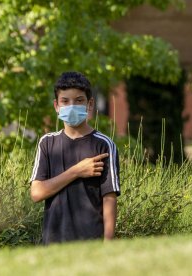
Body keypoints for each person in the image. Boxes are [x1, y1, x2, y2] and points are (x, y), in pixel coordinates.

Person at [30, 71, 120, 244]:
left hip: (91, 243)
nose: (72, 106)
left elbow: (109, 198)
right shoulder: (47, 143)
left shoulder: (104, 145)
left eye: (79, 100)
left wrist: (108, 245)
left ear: (90, 104)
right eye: (65, 101)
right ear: (56, 105)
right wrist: (77, 171)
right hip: (52, 244)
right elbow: (36, 193)